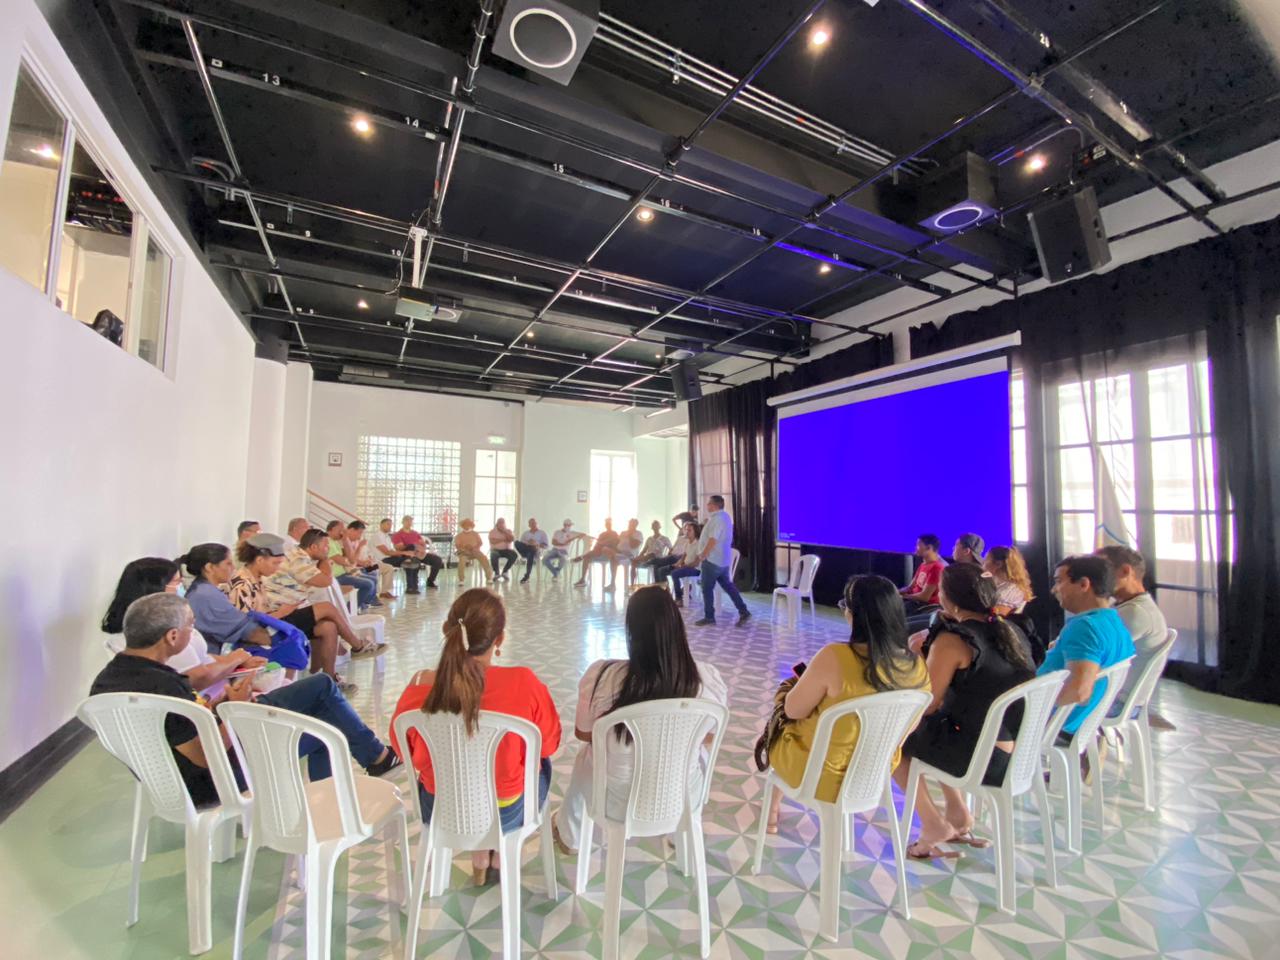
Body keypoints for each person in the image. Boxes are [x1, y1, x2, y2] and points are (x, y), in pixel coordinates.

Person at [90, 593, 400, 808]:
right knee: (324, 717)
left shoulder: (109, 679)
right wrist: (238, 710)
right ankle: (367, 768)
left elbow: (183, 724)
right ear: (172, 637)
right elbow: (205, 755)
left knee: (320, 694)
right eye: (190, 625)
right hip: (212, 782)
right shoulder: (163, 687)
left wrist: (221, 702)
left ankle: (373, 761)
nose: (193, 631)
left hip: (163, 780)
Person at [390, 589, 560, 885]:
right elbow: (549, 744)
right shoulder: (524, 682)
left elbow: (402, 750)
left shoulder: (420, 685)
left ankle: (480, 855)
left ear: (450, 630)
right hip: (509, 811)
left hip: (441, 807)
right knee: (540, 764)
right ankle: (497, 852)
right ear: (500, 640)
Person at [552, 586, 727, 853]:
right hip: (681, 795)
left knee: (588, 755)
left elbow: (584, 733)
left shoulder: (602, 676)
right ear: (677, 629)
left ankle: (571, 835)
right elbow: (710, 736)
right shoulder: (706, 681)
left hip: (615, 798)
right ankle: (682, 835)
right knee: (695, 754)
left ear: (631, 632)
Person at [893, 564, 1036, 858]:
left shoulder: (954, 641)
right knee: (944, 725)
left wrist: (921, 656)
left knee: (894, 740)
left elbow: (926, 702)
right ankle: (959, 814)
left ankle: (932, 823)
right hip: (1016, 753)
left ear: (948, 598)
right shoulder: (1012, 632)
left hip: (982, 758)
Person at [766, 575, 929, 830]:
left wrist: (790, 686)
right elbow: (906, 730)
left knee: (782, 723)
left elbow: (792, 710)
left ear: (854, 615)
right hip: (873, 776)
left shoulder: (835, 657)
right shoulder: (917, 666)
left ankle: (772, 811)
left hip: (819, 775)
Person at [228, 533, 384, 686]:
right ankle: (357, 646)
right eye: (275, 563)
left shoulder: (257, 578)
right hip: (266, 632)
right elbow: (246, 626)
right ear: (260, 560)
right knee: (326, 608)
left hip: (275, 622)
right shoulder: (243, 584)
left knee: (328, 627)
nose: (278, 568)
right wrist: (281, 613)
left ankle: (326, 679)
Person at [102, 557, 265, 690]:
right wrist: (234, 661)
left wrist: (232, 661)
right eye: (177, 582)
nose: (182, 587)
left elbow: (198, 657)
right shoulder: (158, 632)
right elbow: (197, 676)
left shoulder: (138, 626)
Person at [1039, 555, 1136, 741]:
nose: (1054, 590)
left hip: (1052, 723)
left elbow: (1079, 691)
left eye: (1059, 582)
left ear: (1084, 584)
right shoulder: (1113, 621)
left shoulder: (1085, 627)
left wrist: (1028, 703)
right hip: (1080, 720)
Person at [1095, 545, 1171, 713]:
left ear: (1124, 571)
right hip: (1115, 697)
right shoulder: (1127, 606)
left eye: (1101, 571)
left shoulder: (1136, 613)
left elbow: (1092, 653)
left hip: (1116, 702)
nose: (1095, 579)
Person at [692, 495, 750, 627]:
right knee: (729, 587)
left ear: (715, 505)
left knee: (706, 588)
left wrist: (703, 555)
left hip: (712, 560)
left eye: (709, 503)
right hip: (722, 560)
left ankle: (709, 616)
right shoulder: (724, 517)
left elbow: (713, 539)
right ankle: (743, 610)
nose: (707, 506)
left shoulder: (718, 519)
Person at [326, 520, 379, 611]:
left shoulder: (339, 541)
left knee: (374, 572)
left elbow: (351, 559)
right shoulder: (329, 542)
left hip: (351, 569)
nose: (343, 532)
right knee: (370, 581)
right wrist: (354, 559)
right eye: (341, 530)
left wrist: (346, 539)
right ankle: (353, 608)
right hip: (343, 573)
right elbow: (350, 561)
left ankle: (367, 601)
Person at [902, 534, 947, 633]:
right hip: (915, 601)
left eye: (918, 545)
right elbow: (911, 587)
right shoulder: (923, 565)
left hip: (925, 605)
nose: (916, 548)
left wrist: (905, 596)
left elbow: (924, 596)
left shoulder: (937, 568)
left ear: (928, 548)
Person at [392, 516, 444, 591]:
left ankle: (430, 581)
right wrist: (412, 546)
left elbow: (423, 544)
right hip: (407, 555)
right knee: (414, 559)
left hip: (419, 553)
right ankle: (412, 586)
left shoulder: (415, 533)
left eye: (410, 521)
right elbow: (399, 548)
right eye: (407, 521)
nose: (409, 523)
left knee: (437, 560)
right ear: (403, 522)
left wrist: (422, 549)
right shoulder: (398, 535)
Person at [983, 545, 1033, 614]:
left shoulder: (1011, 590)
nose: (983, 563)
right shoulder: (991, 582)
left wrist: (967, 614)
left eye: (986, 559)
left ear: (998, 564)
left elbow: (997, 618)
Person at [664, 521, 703, 604]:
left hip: (695, 569)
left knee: (675, 573)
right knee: (663, 570)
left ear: (695, 532)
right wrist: (676, 564)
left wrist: (684, 566)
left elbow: (696, 563)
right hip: (686, 567)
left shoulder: (699, 544)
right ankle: (665, 595)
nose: (686, 532)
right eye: (686, 530)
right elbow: (683, 558)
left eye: (689, 530)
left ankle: (679, 598)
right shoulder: (687, 543)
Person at [573, 518, 620, 587]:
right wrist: (601, 544)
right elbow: (597, 544)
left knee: (603, 548)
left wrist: (603, 543)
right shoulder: (602, 534)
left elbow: (614, 544)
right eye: (607, 524)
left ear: (611, 525)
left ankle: (581, 557)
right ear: (605, 525)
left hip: (608, 554)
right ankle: (582, 579)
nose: (608, 525)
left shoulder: (614, 533)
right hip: (598, 553)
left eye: (609, 524)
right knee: (587, 558)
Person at [630, 520, 673, 586]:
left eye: (656, 525)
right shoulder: (649, 539)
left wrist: (666, 557)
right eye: (654, 525)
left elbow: (671, 549)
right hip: (647, 559)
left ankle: (636, 559)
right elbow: (643, 551)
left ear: (659, 527)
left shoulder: (665, 538)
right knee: (634, 562)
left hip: (658, 558)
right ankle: (632, 584)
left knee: (652, 554)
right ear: (652, 527)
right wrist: (640, 556)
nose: (655, 527)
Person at [606, 519, 644, 592]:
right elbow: (617, 543)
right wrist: (614, 546)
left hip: (631, 556)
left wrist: (630, 536)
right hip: (620, 553)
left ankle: (630, 587)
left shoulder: (638, 534)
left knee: (615, 557)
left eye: (633, 524)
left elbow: (633, 546)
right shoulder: (623, 533)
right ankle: (612, 583)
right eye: (630, 524)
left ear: (636, 525)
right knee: (612, 557)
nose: (630, 525)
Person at [454, 518, 495, 584]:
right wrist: (465, 549)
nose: (467, 526)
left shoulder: (475, 534)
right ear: (463, 526)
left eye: (468, 525)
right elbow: (457, 546)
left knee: (484, 558)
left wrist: (473, 547)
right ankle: (461, 580)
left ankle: (489, 577)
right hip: (464, 553)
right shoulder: (459, 536)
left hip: (475, 551)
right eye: (465, 525)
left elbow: (480, 543)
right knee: (462, 560)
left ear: (471, 525)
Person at [515, 518, 549, 583]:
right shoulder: (525, 533)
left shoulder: (542, 533)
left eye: (535, 523)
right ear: (529, 525)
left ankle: (527, 576)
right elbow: (521, 544)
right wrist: (528, 543)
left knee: (531, 551)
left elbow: (546, 545)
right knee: (516, 542)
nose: (533, 525)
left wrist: (536, 544)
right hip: (526, 550)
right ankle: (529, 549)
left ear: (537, 524)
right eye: (531, 523)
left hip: (536, 551)